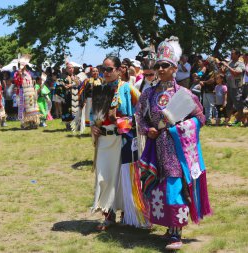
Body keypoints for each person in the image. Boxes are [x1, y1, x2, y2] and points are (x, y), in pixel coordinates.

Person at [136, 37, 211, 250]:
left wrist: (180, 129)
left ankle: (177, 234)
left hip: (177, 150)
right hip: (154, 149)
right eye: (157, 65)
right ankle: (169, 228)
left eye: (164, 65)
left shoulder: (184, 94)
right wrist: (146, 130)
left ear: (175, 68)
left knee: (174, 188)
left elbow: (201, 118)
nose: (160, 69)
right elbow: (139, 117)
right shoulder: (148, 94)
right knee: (158, 187)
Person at [91, 56, 148, 231]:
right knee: (104, 177)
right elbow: (94, 116)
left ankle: (127, 213)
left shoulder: (127, 88)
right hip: (104, 140)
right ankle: (108, 214)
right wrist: (93, 127)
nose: (105, 72)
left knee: (124, 178)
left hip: (123, 139)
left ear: (118, 70)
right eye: (103, 69)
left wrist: (125, 122)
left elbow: (143, 110)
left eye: (109, 69)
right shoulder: (99, 90)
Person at [222, 49, 245, 126]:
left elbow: (236, 73)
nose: (231, 55)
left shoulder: (240, 64)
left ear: (237, 55)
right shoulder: (230, 62)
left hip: (237, 87)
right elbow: (224, 72)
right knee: (229, 105)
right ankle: (227, 121)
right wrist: (222, 69)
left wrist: (227, 66)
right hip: (229, 86)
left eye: (232, 54)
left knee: (238, 104)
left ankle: (241, 121)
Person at [14, 64, 39, 129]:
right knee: (23, 108)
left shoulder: (28, 73)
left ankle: (33, 122)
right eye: (21, 65)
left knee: (32, 107)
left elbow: (32, 82)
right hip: (22, 93)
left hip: (30, 92)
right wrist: (19, 75)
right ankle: (25, 123)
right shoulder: (17, 73)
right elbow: (17, 82)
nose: (23, 67)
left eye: (24, 65)